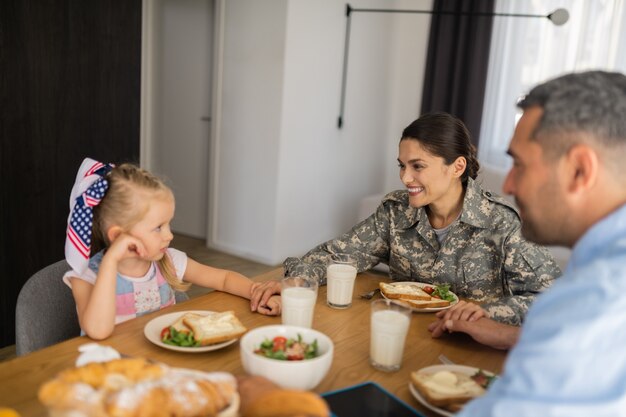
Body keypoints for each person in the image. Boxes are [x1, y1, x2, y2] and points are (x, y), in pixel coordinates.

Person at [252, 112, 560, 326]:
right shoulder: (395, 212)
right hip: (400, 334)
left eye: (417, 166)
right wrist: (297, 281)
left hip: (468, 351)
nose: (405, 177)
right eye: (402, 165)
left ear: (456, 167)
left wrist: (487, 314)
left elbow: (552, 299)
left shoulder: (502, 224)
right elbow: (337, 256)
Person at [452, 70, 626, 416]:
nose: (508, 186)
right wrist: (509, 335)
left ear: (579, 170)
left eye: (518, 164)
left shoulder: (598, 299)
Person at [63, 159, 281, 340]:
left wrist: (258, 293)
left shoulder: (167, 261)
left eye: (168, 224)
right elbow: (98, 331)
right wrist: (111, 262)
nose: (169, 235)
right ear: (119, 236)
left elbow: (223, 279)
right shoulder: (86, 277)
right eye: (158, 227)